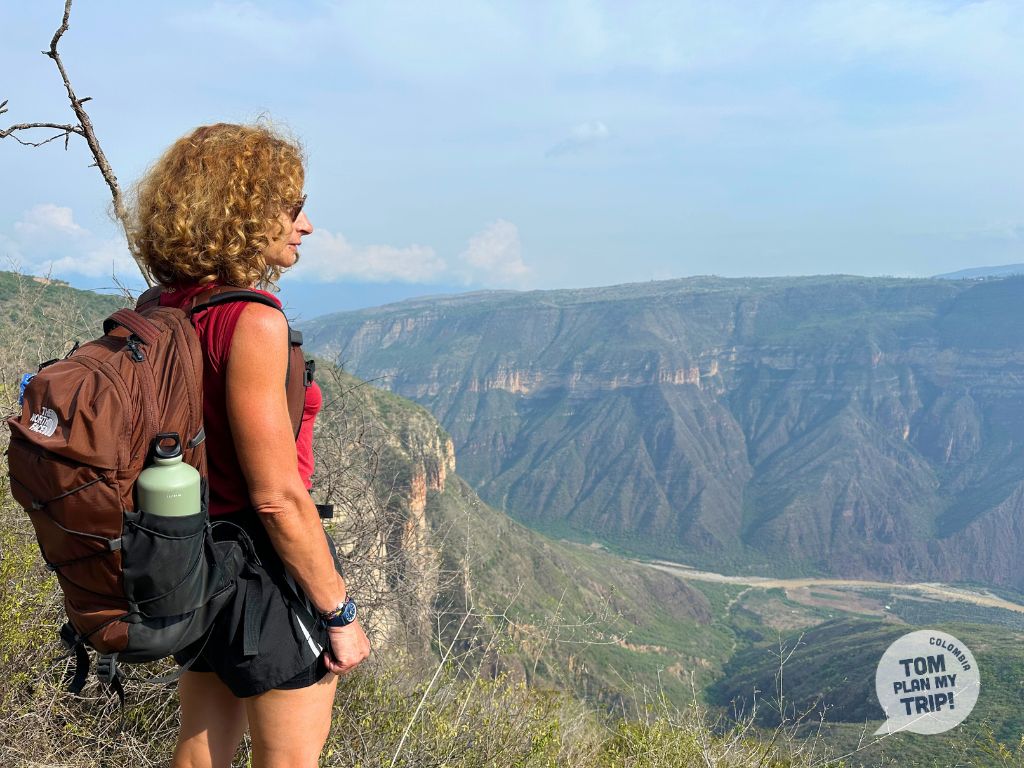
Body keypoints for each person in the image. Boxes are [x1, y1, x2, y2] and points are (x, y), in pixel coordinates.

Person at [129, 122, 370, 767]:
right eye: (292, 209)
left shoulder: (163, 308)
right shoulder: (251, 320)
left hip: (190, 553)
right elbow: (275, 497)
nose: (307, 226)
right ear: (244, 214)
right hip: (262, 570)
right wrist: (338, 611)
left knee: (199, 750)